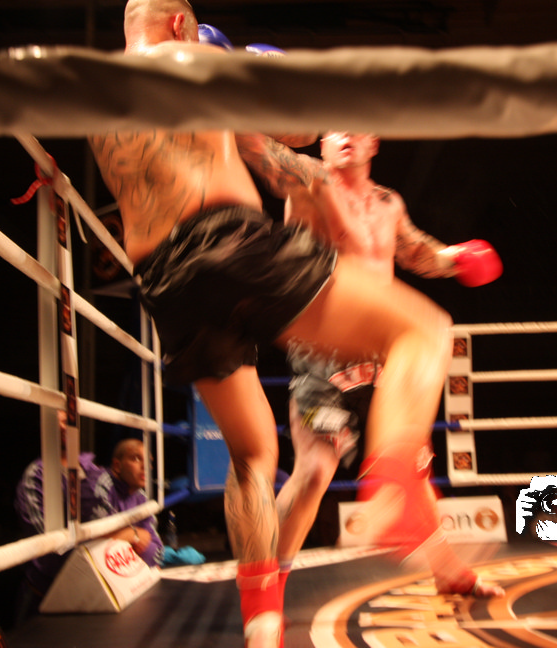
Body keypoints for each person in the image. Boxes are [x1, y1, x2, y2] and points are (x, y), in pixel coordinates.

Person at [88, 2, 457, 645]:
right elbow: (297, 130)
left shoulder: (93, 104)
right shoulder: (199, 60)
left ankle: (262, 624)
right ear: (179, 24)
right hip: (231, 244)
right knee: (423, 330)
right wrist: (265, 72)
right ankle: (395, 482)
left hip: (165, 285)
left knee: (254, 455)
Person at [236, 131, 504, 602]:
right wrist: (229, 107)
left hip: (385, 352)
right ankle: (264, 589)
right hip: (325, 348)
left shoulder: (388, 203)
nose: (344, 136)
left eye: (355, 127)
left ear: (373, 142)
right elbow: (259, 150)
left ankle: (447, 572)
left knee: (408, 463)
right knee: (315, 469)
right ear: (321, 143)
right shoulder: (310, 180)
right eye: (333, 128)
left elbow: (413, 251)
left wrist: (456, 259)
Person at [13, 410, 111, 623]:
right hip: (46, 593)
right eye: (55, 422)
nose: (63, 427)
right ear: (44, 428)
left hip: (99, 585)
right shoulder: (35, 477)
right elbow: (47, 548)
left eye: (67, 421)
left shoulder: (95, 471)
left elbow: (118, 522)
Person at [94, 437, 164, 566]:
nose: (145, 467)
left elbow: (156, 552)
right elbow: (98, 547)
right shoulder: (101, 485)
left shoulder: (141, 497)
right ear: (117, 465)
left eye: (148, 461)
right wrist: (134, 534)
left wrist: (128, 538)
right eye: (136, 458)